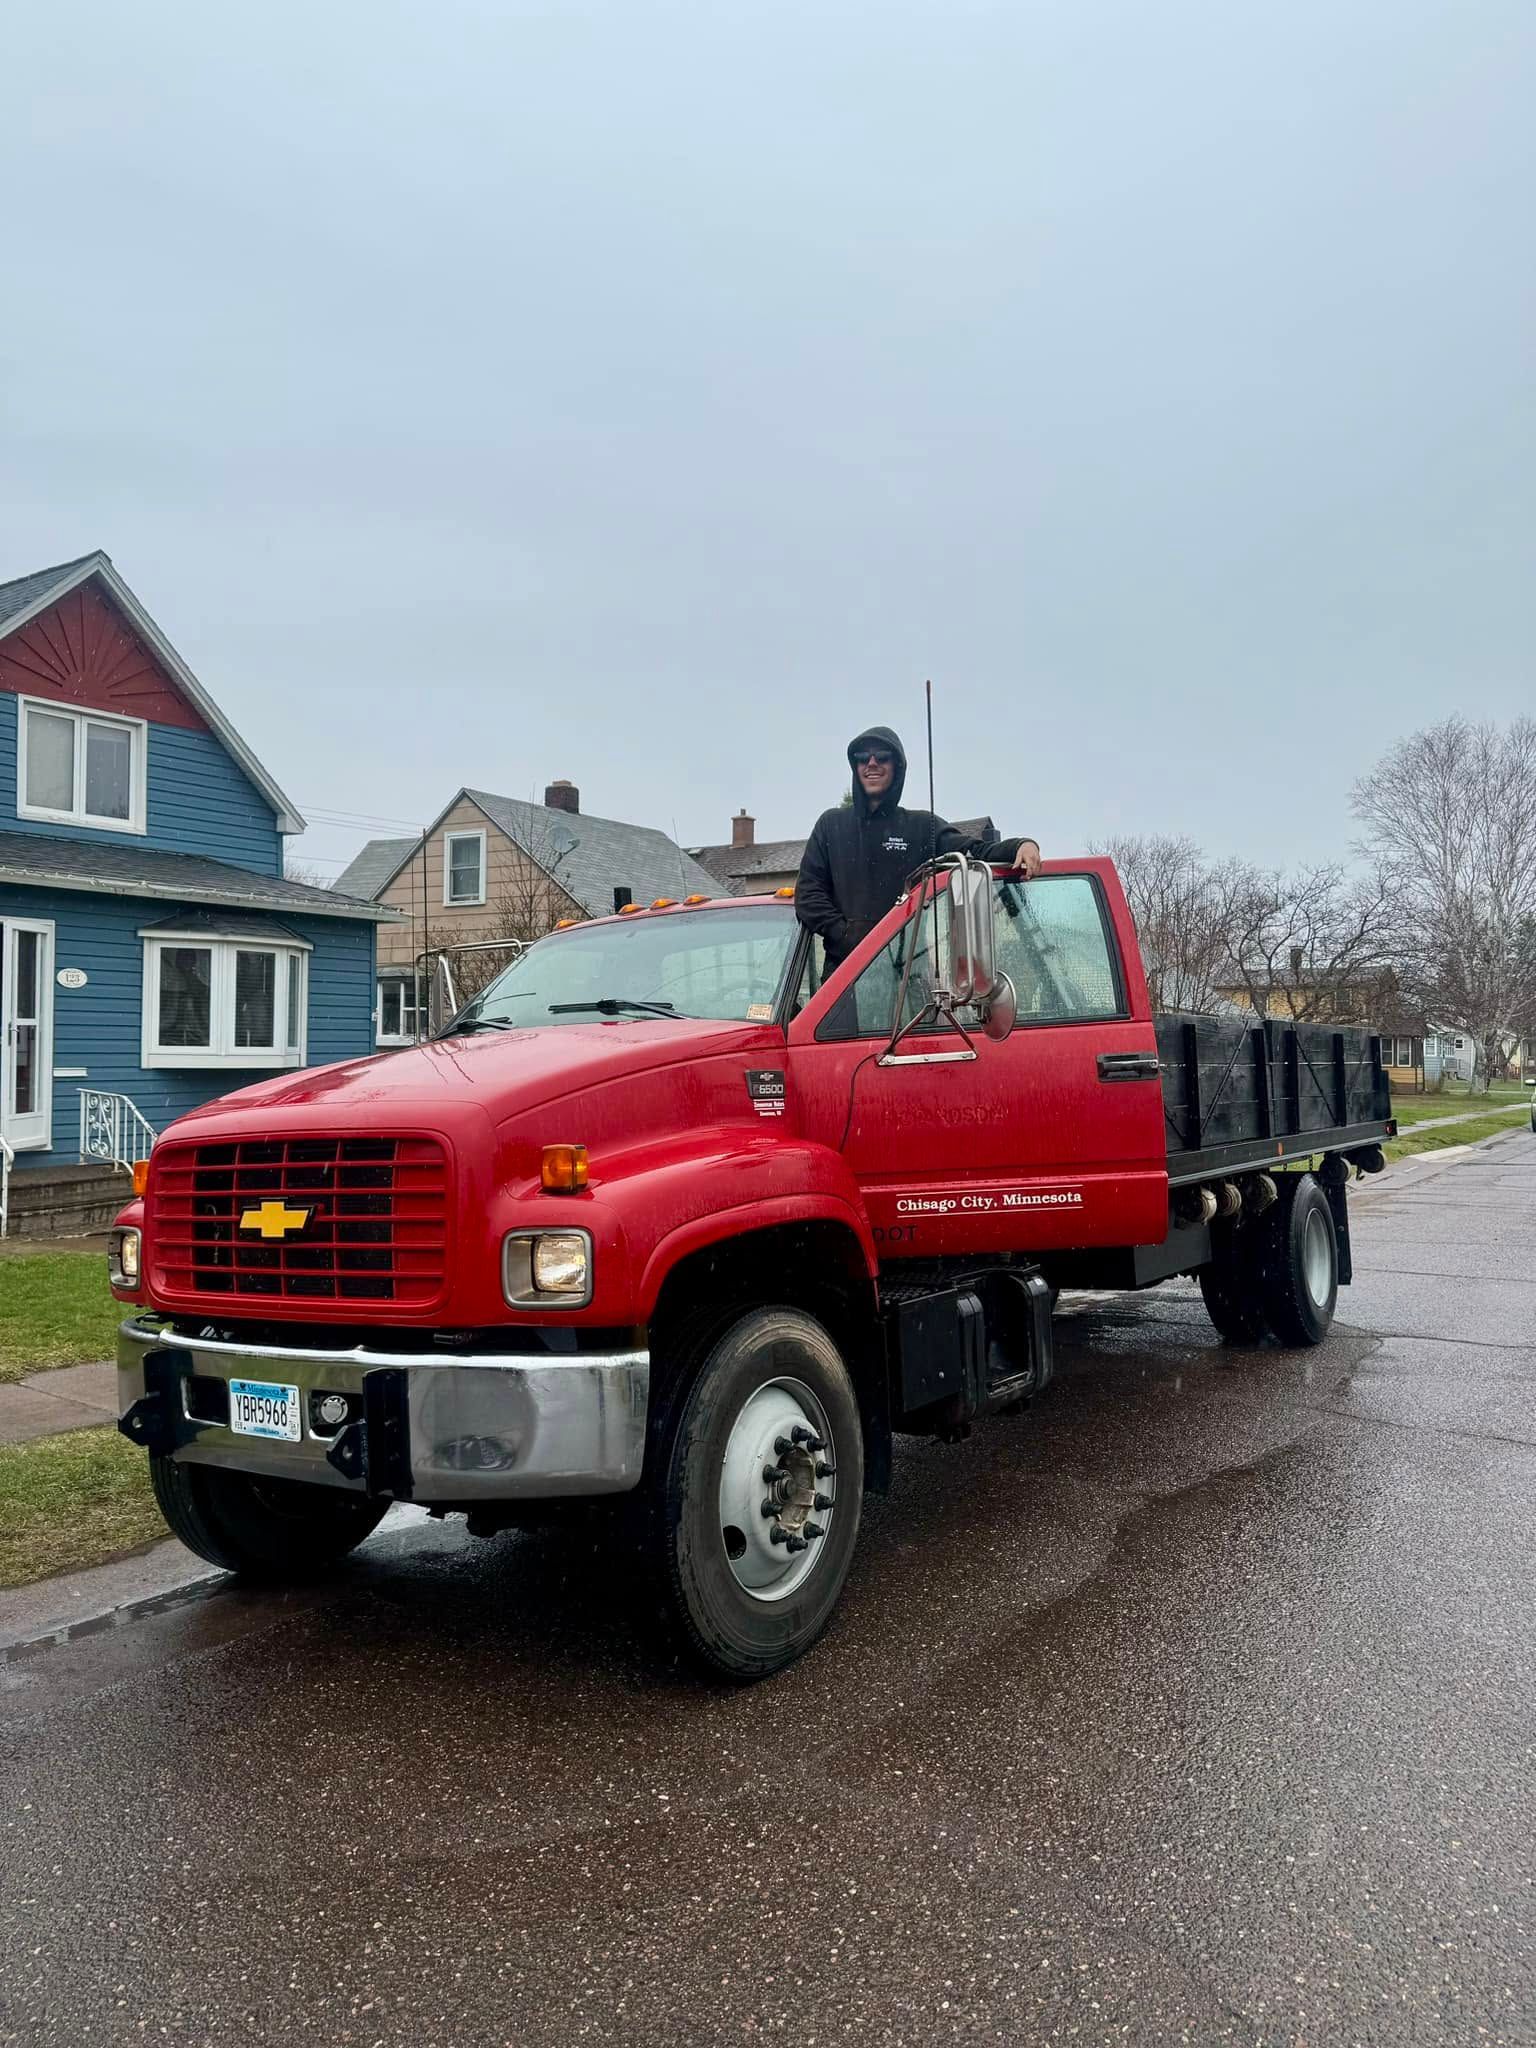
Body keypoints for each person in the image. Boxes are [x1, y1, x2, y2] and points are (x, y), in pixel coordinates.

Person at [794, 724, 1041, 971]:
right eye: (862, 757)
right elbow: (808, 896)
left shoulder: (922, 826)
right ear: (854, 766)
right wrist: (847, 935)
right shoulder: (831, 825)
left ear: (897, 767)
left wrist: (1021, 845)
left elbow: (974, 851)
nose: (871, 763)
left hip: (904, 979)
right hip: (842, 979)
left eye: (882, 757)